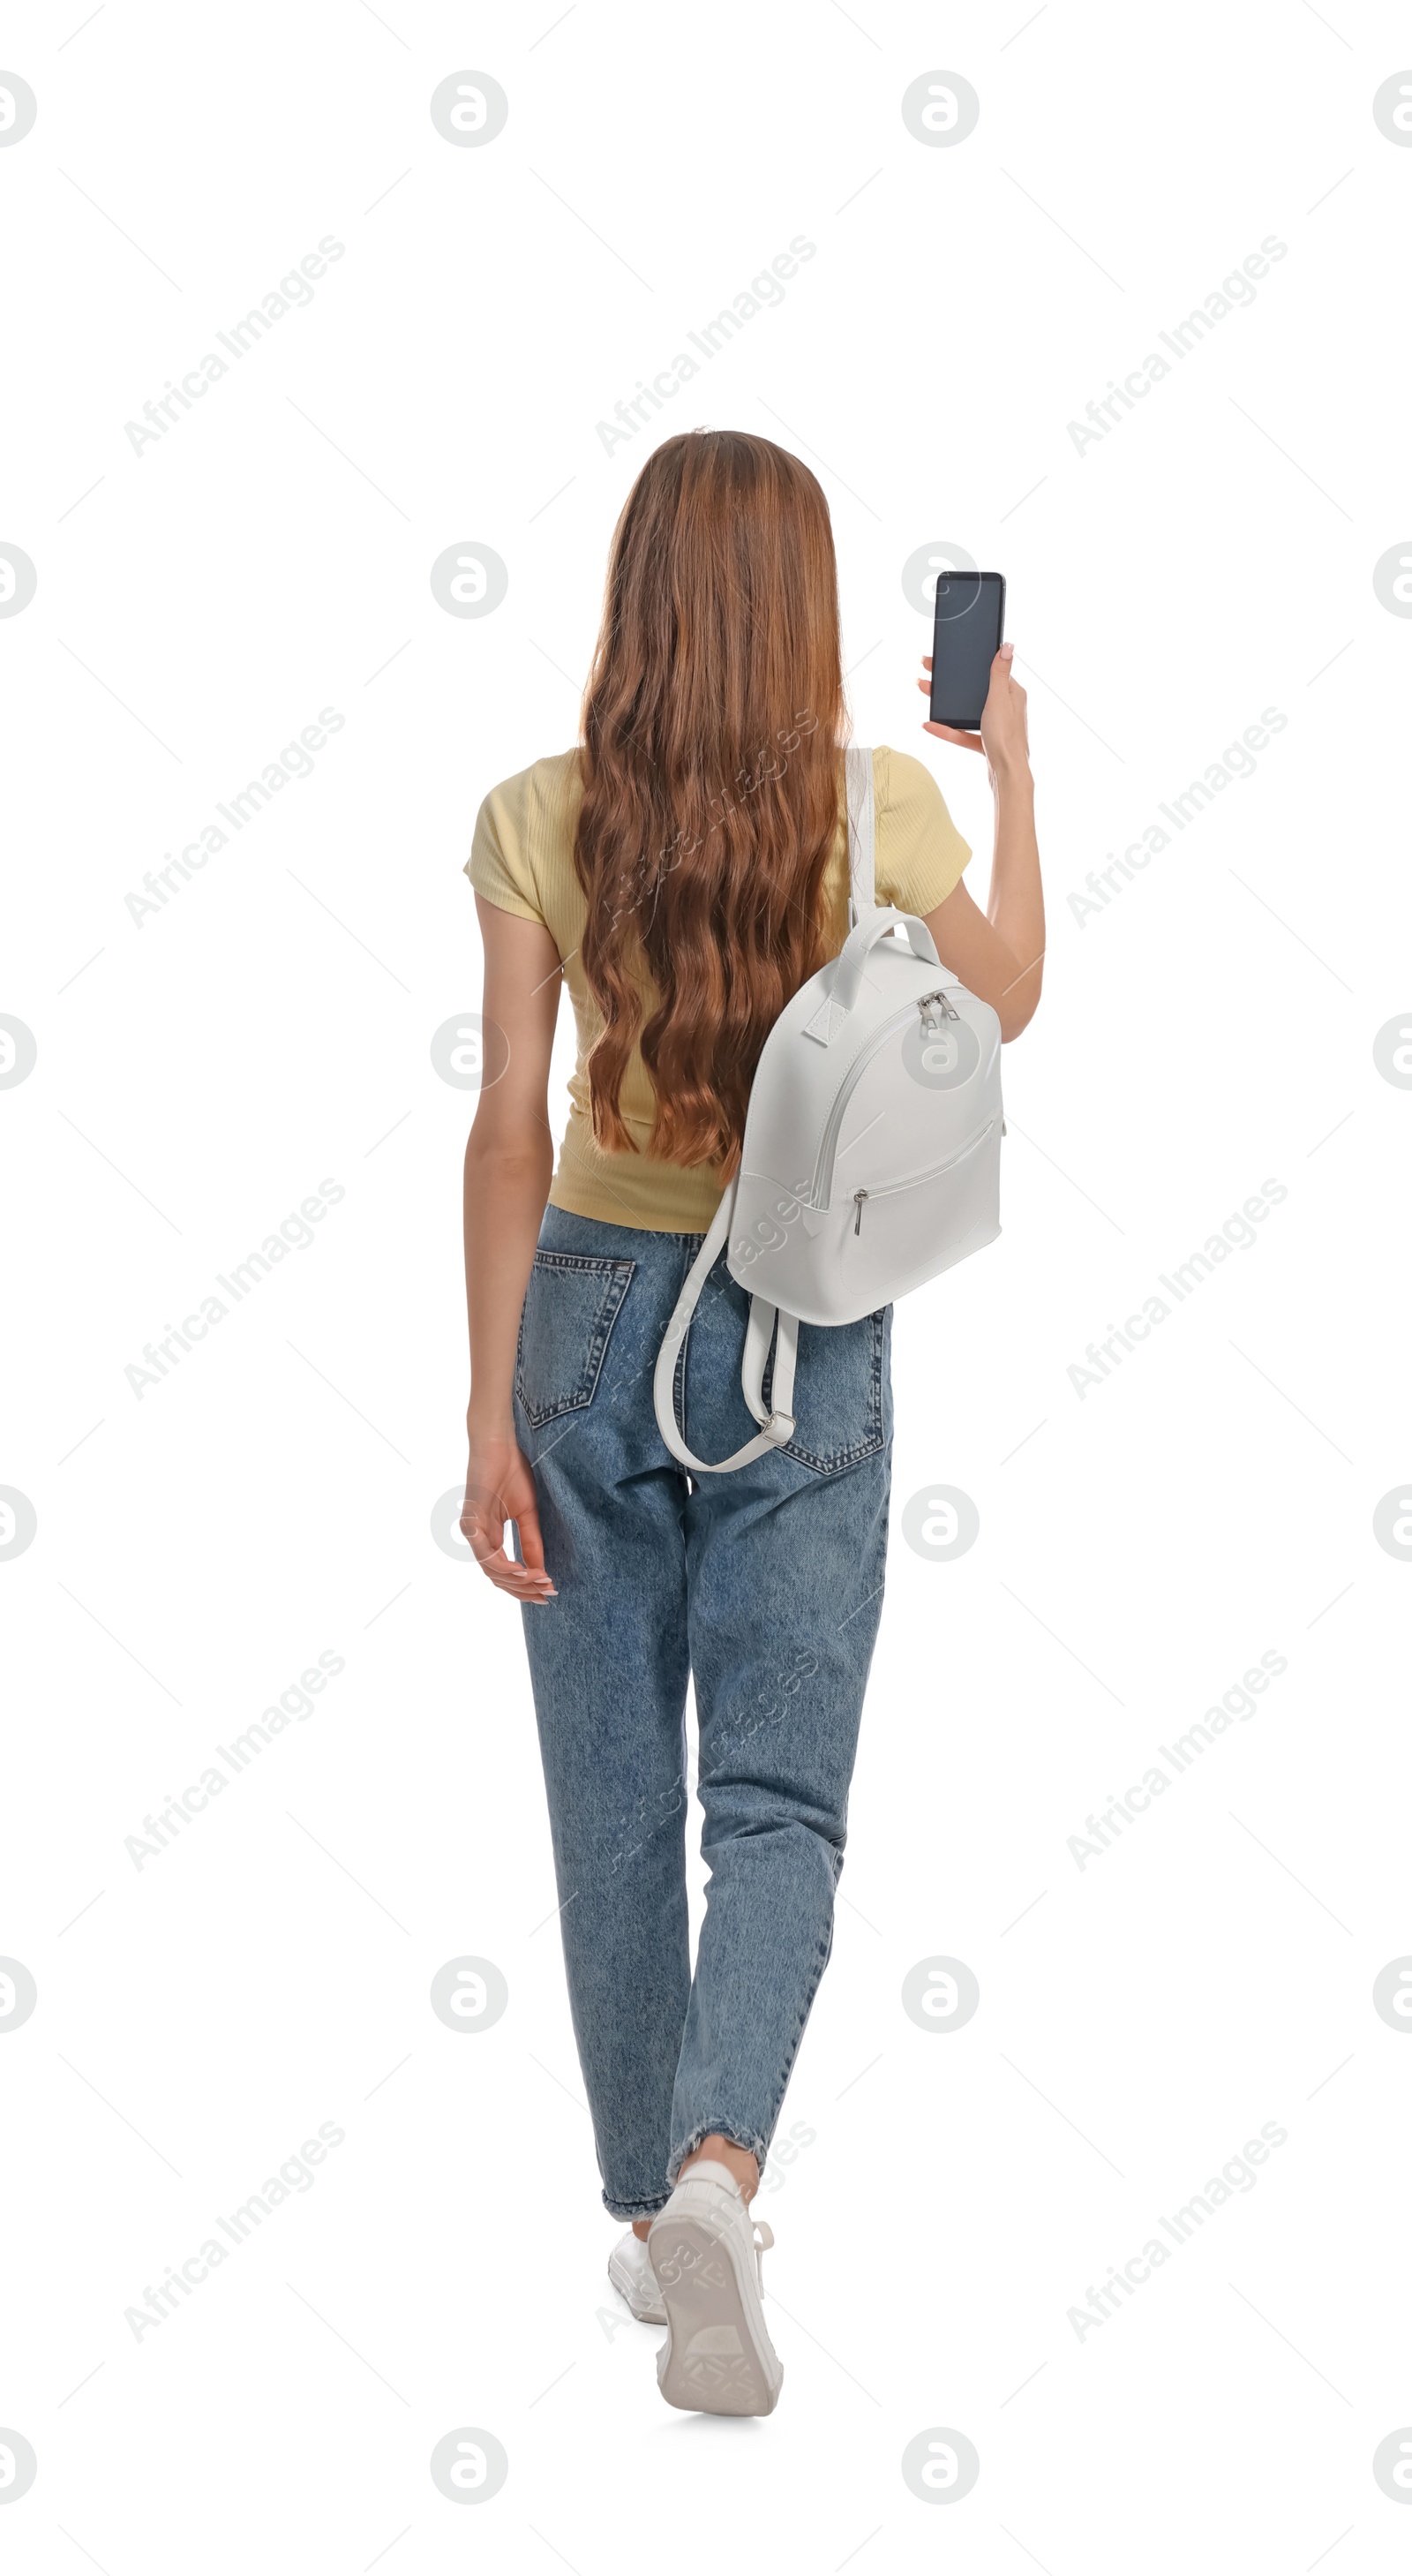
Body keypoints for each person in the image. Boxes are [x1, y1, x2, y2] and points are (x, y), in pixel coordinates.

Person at [460, 429, 1043, 2417]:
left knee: (608, 1806)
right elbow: (1012, 1001)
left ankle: (646, 2217)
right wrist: (1010, 774)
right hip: (806, 1318)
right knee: (770, 1802)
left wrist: (485, 1413)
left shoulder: (536, 814)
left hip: (586, 1319)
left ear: (637, 599)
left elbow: (505, 1130)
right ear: (798, 607)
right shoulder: (880, 813)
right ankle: (719, 2170)